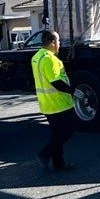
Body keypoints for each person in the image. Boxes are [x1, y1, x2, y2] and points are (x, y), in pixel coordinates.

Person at [32, 28, 76, 173]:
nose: (59, 44)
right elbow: (56, 82)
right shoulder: (49, 59)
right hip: (59, 103)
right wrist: (73, 91)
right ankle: (45, 153)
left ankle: (59, 163)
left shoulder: (37, 56)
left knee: (57, 134)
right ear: (52, 42)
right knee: (68, 131)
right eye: (58, 41)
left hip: (46, 103)